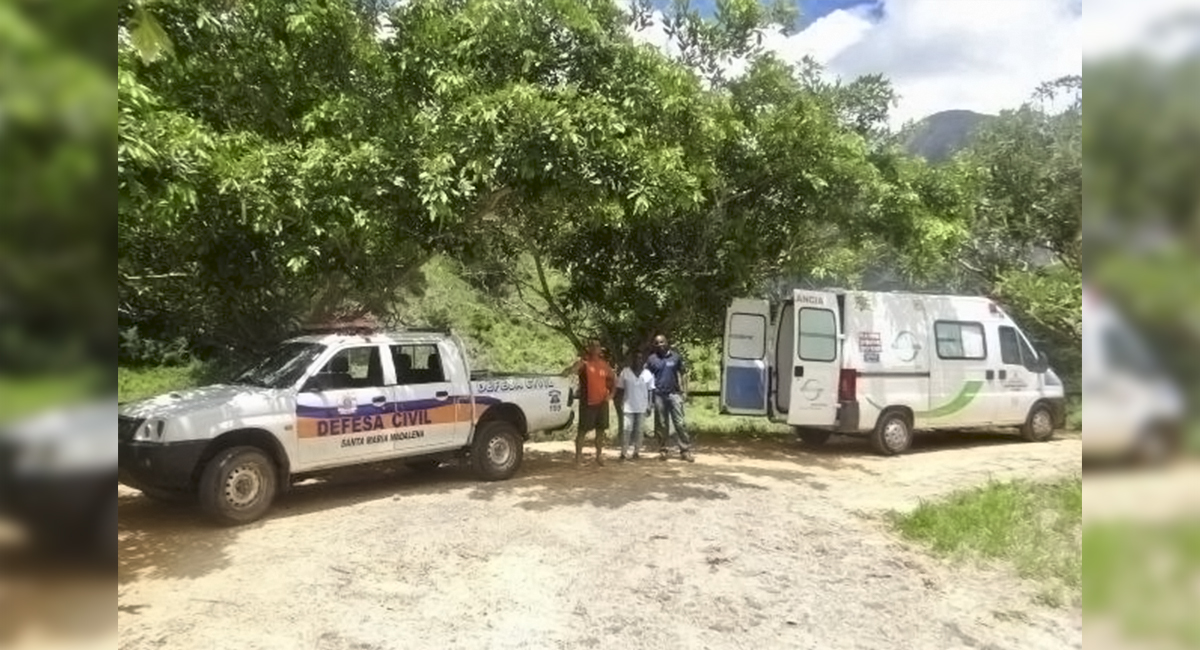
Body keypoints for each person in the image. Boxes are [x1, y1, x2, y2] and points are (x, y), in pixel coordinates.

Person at [561, 338, 616, 467]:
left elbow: (614, 379)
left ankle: (599, 456)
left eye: (597, 346)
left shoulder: (604, 365)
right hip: (588, 403)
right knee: (582, 431)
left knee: (601, 430)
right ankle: (578, 459)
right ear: (589, 349)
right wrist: (570, 369)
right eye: (592, 346)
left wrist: (612, 395)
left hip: (602, 403)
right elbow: (570, 371)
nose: (595, 348)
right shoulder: (584, 363)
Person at [645, 333, 693, 462]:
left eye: (662, 342)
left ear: (667, 343)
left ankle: (685, 451)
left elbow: (683, 374)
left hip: (674, 394)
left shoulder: (676, 357)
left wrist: (685, 391)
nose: (660, 345)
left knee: (680, 423)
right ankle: (663, 450)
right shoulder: (651, 359)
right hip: (659, 395)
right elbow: (645, 377)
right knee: (661, 424)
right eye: (657, 343)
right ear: (654, 345)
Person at [614, 350, 654, 461]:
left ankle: (636, 452)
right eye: (635, 358)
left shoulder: (647, 374)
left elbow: (651, 390)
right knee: (627, 429)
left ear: (643, 361)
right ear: (631, 360)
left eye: (640, 358)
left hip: (642, 406)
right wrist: (619, 402)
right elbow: (620, 389)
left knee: (639, 430)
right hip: (628, 405)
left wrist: (650, 404)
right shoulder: (625, 372)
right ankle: (623, 452)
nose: (638, 360)